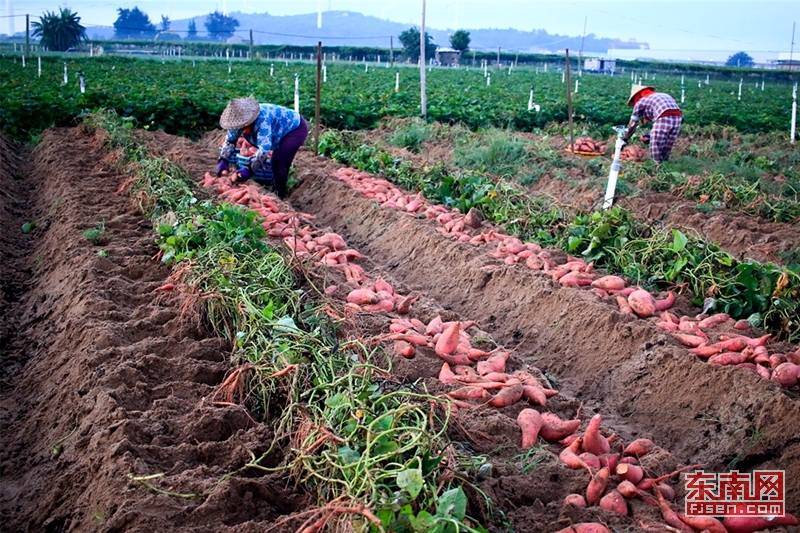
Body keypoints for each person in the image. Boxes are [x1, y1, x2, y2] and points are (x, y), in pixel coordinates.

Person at [216, 97, 309, 199]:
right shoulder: (236, 122)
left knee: (278, 160)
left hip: (295, 128)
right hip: (279, 130)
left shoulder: (262, 119)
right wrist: (223, 160)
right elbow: (230, 141)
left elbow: (264, 150)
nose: (239, 128)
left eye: (242, 126)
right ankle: (276, 186)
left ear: (249, 121)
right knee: (278, 160)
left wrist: (249, 169)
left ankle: (280, 194)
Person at [621, 85, 682, 163]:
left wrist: (625, 139)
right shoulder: (662, 95)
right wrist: (650, 136)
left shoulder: (641, 102)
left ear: (636, 96)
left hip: (663, 116)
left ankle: (656, 165)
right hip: (678, 117)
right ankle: (665, 164)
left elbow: (632, 124)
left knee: (655, 146)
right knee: (667, 144)